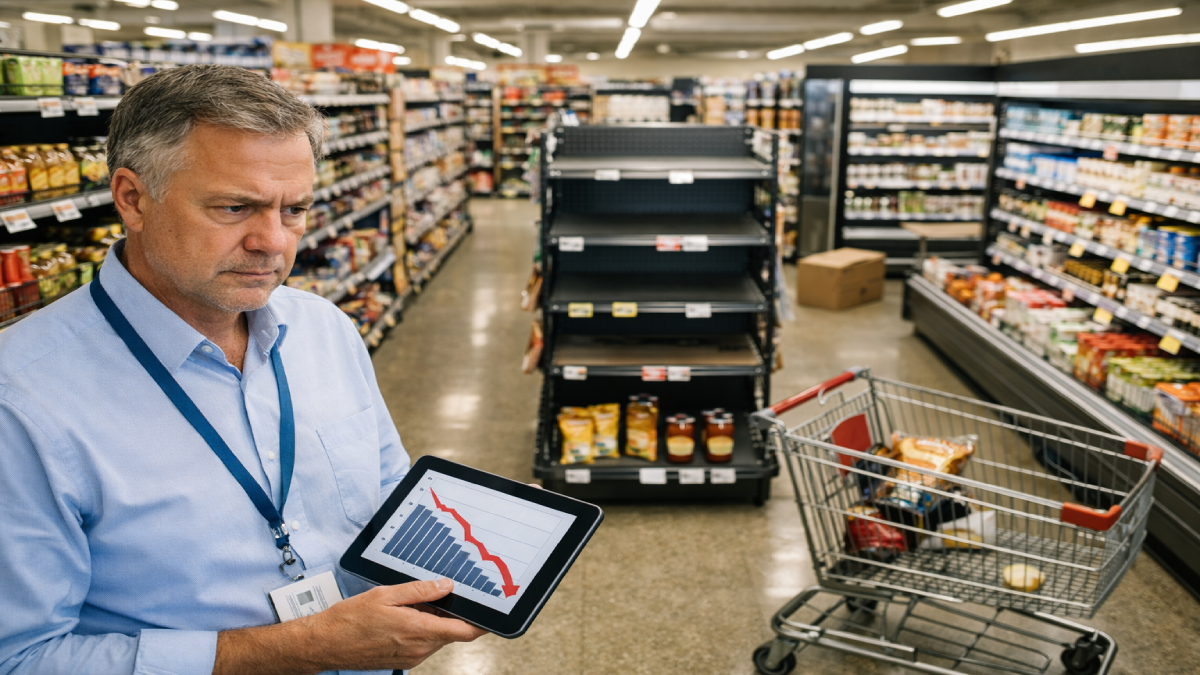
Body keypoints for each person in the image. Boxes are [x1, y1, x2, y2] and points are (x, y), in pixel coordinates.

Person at [0, 65, 485, 675]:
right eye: (235, 208)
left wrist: (481, 536)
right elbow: (22, 659)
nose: (274, 243)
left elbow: (385, 498)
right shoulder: (21, 401)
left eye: (296, 208)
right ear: (133, 197)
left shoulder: (323, 329)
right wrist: (299, 648)